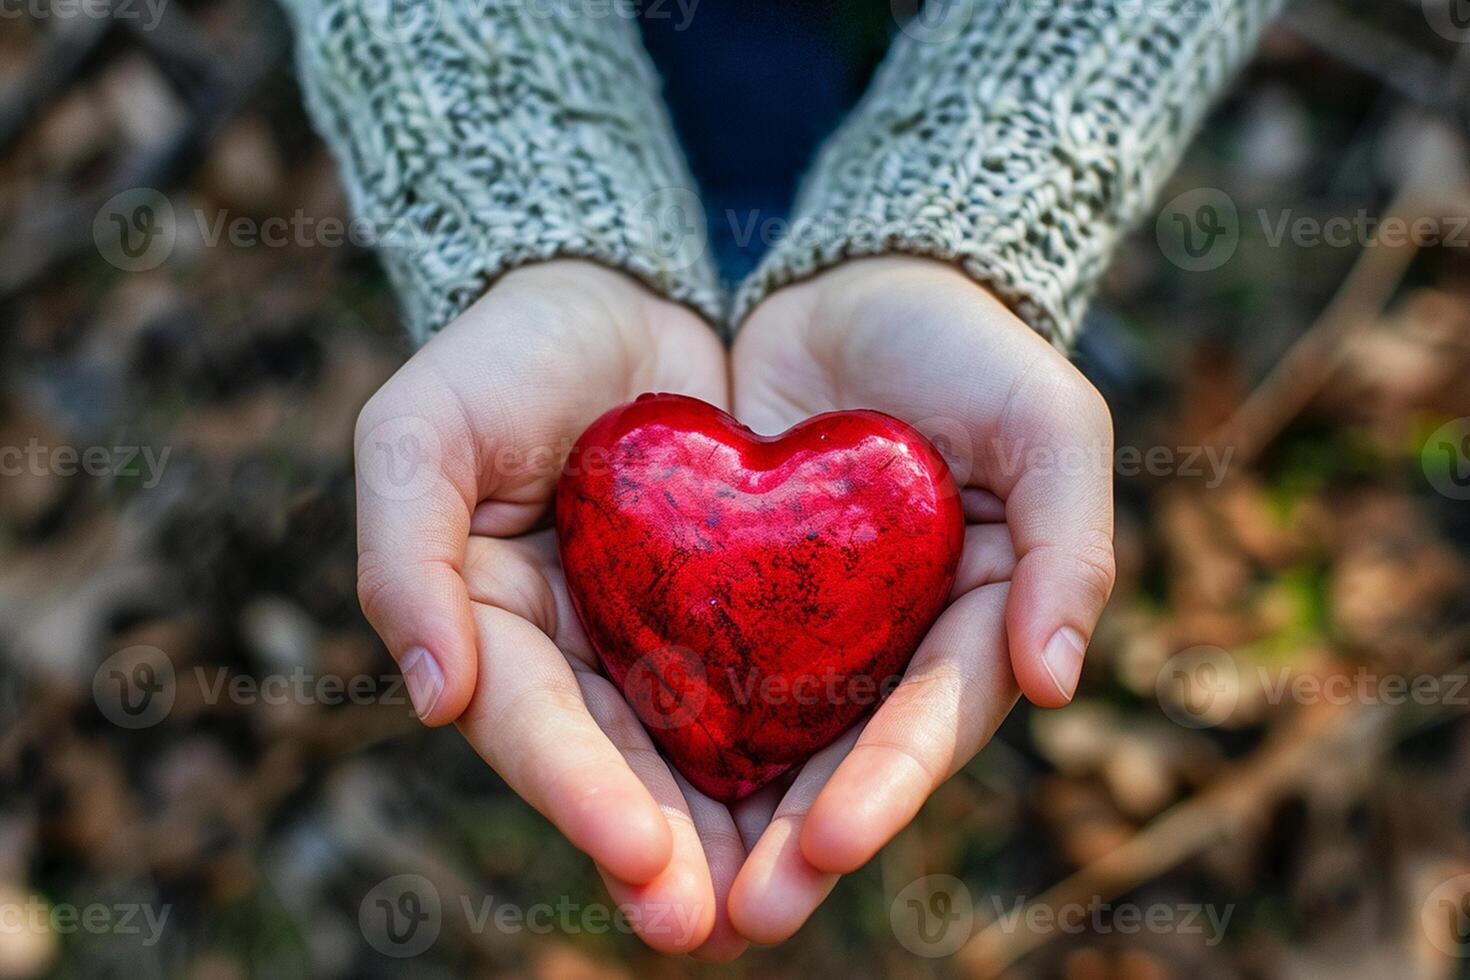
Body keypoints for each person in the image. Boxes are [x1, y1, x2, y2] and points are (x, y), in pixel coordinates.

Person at [282, 0, 1284, 959]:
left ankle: (763, 220)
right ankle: (728, 229)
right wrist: (539, 212)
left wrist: (963, 221)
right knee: (729, 75)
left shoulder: (893, 475)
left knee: (774, 76)